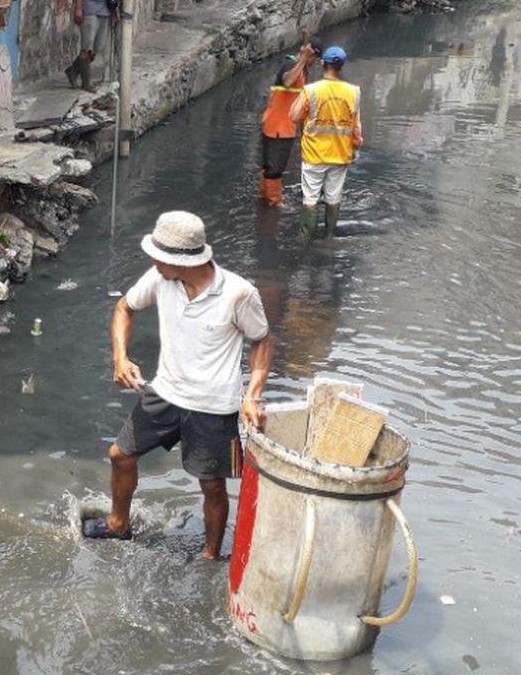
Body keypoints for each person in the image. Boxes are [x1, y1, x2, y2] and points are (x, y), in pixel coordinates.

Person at [82, 211, 274, 560]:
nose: (153, 262)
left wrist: (253, 396)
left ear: (181, 261)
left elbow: (262, 341)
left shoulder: (239, 294)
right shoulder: (160, 278)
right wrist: (120, 358)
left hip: (214, 406)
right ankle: (118, 525)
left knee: (212, 485)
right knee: (120, 456)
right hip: (165, 393)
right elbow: (124, 307)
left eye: (159, 256)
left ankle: (211, 555)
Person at [288, 46, 362, 239]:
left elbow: (294, 116)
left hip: (314, 155)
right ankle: (329, 237)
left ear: (322, 64)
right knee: (333, 198)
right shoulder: (353, 92)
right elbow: (356, 127)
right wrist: (356, 147)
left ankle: (305, 239)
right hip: (340, 155)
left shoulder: (311, 90)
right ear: (342, 66)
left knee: (310, 200)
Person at [258, 36, 320, 207]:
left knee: (269, 167)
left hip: (277, 126)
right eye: (314, 58)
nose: (314, 62)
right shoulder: (291, 66)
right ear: (312, 56)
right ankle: (274, 203)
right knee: (275, 169)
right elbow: (287, 82)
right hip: (279, 128)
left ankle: (264, 200)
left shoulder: (299, 71)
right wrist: (303, 60)